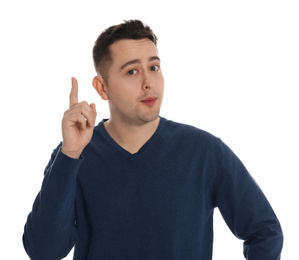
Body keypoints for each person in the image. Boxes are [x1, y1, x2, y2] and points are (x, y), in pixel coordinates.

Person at [23, 20, 283, 260]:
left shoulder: (204, 152)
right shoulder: (74, 155)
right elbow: (44, 251)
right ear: (102, 88)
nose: (149, 83)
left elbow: (265, 232)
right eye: (132, 71)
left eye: (154, 67)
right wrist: (69, 154)